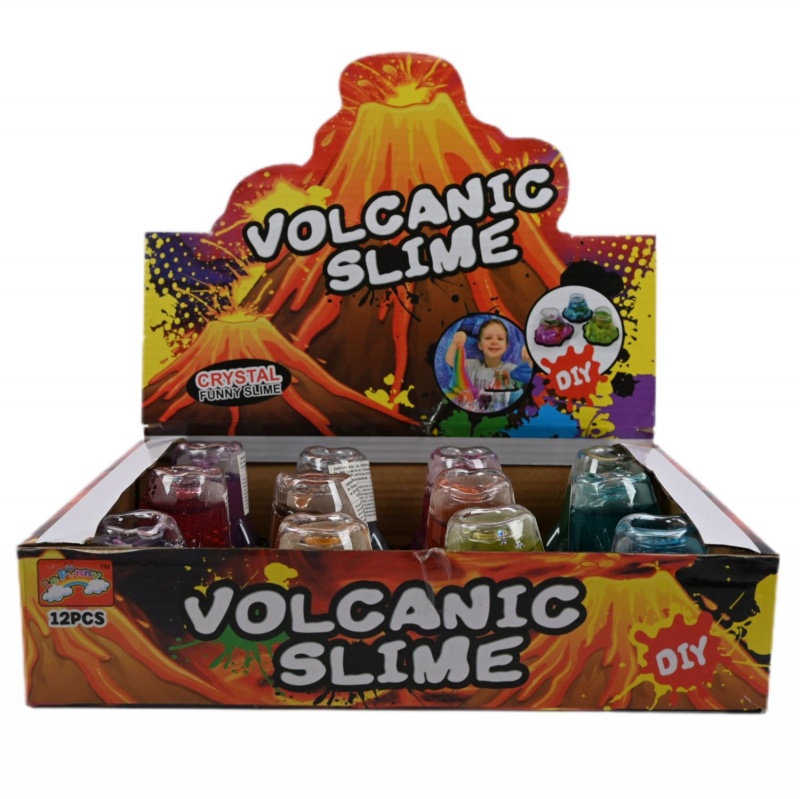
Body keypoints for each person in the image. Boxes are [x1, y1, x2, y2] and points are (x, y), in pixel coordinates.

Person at [445, 318, 532, 412]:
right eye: (488, 338)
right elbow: (452, 362)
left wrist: (527, 358)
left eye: (500, 339)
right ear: (480, 345)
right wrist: (456, 343)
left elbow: (526, 376)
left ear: (507, 346)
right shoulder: (473, 365)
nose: (494, 342)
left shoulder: (510, 369)